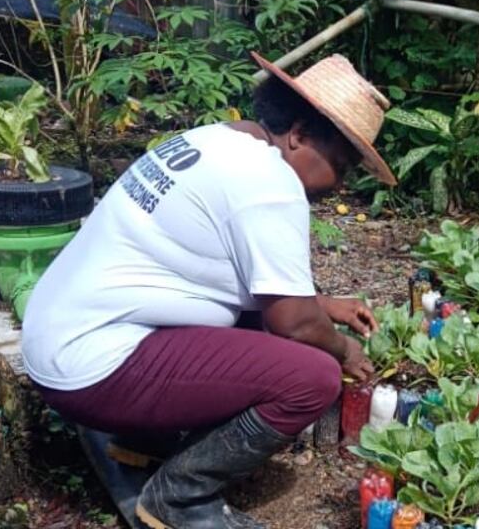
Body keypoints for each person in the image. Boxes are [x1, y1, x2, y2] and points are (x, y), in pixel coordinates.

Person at [22, 53, 396, 529]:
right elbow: (295, 325)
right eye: (339, 167)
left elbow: (210, 266)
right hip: (90, 367)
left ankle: (142, 442)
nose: (338, 186)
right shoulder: (271, 183)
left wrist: (321, 304)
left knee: (260, 325)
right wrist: (343, 348)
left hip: (59, 337)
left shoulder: (222, 140)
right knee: (313, 377)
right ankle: (178, 499)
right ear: (300, 135)